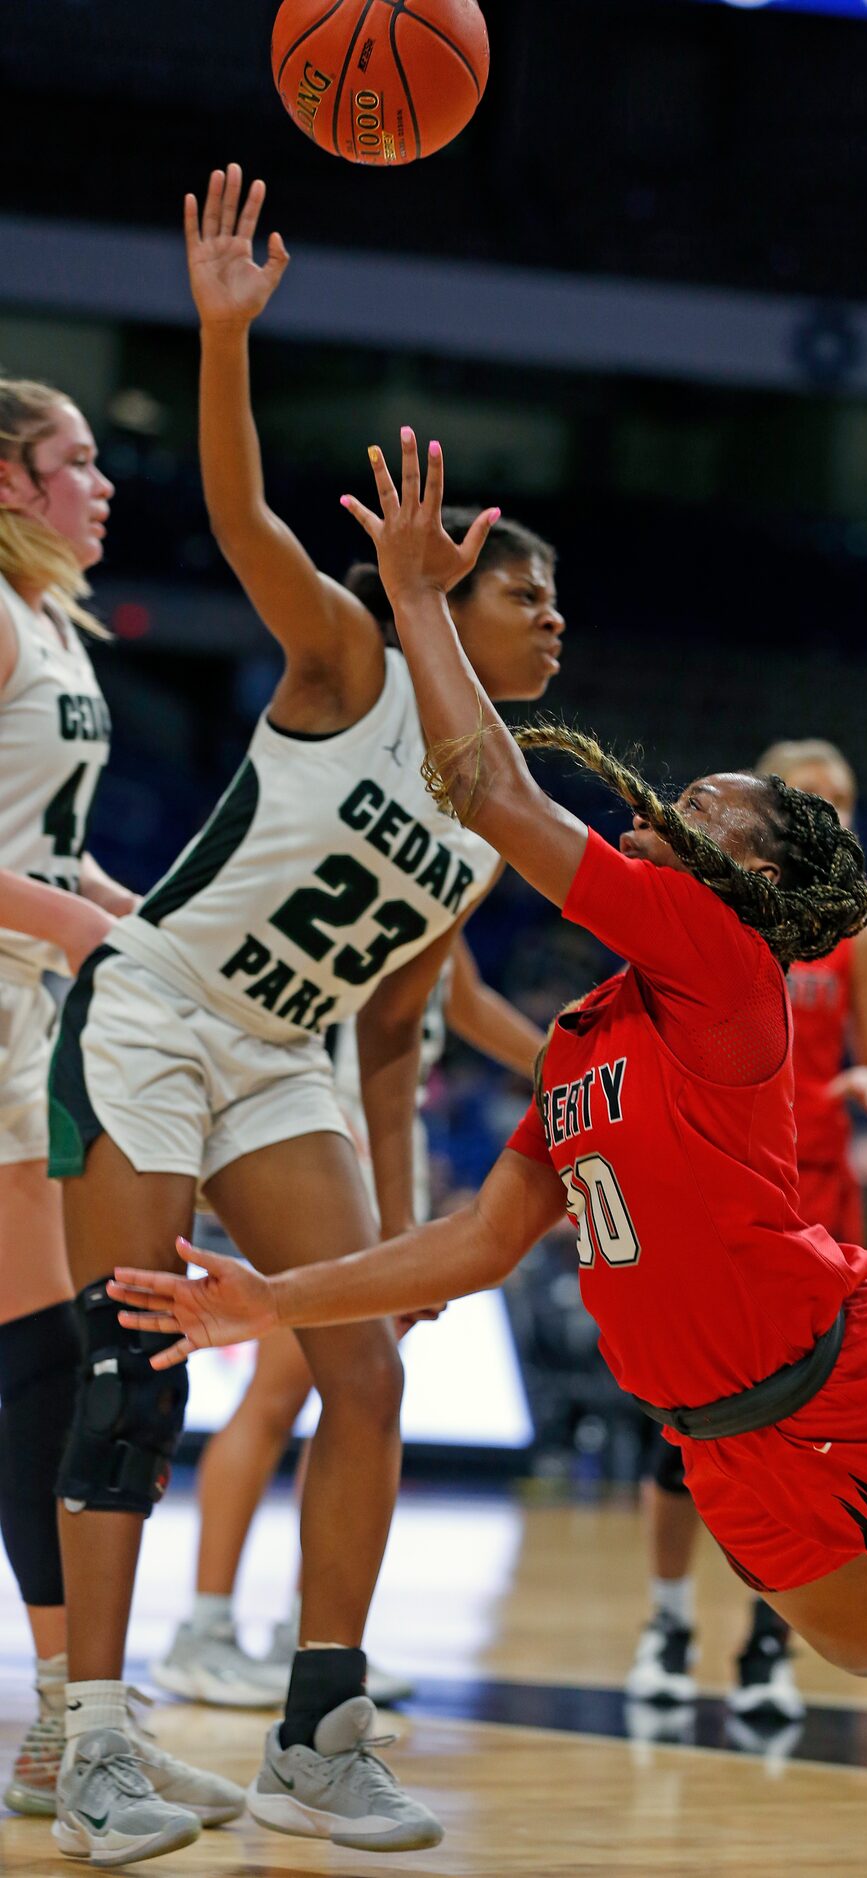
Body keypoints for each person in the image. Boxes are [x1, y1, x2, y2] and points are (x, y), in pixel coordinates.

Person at [113, 433, 867, 1843]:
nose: (668, 801)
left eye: (707, 802)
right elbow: (474, 1243)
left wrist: (417, 601)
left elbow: (493, 793)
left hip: (847, 1374)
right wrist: (267, 1299)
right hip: (718, 1434)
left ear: (751, 870)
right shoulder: (593, 1027)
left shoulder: (719, 953)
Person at [44, 169, 563, 1866]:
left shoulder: (494, 804)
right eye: (523, 590)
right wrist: (220, 340)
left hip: (287, 1060)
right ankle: (97, 1742)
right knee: (131, 1369)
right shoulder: (344, 657)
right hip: (157, 1008)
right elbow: (248, 510)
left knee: (362, 1366)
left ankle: (317, 1734)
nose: (550, 614)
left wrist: (400, 1222)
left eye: (555, 602)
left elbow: (405, 1028)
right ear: (446, 593)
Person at [152, 940, 543, 1711]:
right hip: (331, 1138)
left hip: (387, 1148)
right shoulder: (379, 861)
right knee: (280, 1395)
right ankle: (203, 1632)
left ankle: (311, 1627)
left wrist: (580, 1057)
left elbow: (461, 998)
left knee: (352, 1397)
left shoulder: (445, 878)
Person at [626, 736, 867, 1722]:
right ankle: (667, 1621)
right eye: (812, 795)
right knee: (684, 1434)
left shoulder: (860, 940)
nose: (833, 807)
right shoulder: (701, 915)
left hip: (818, 1197)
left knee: (807, 1448)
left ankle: (769, 1643)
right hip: (720, 1184)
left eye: (844, 795)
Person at [0, 378, 142, 1819]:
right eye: (76, 463)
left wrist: (138, 917)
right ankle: (62, 1710)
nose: (103, 484)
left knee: (43, 1342)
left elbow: (48, 842)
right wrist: (82, 928)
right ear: (7, 483)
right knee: (41, 1347)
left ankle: (67, 1703)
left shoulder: (53, 626)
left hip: (25, 996)